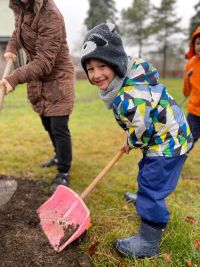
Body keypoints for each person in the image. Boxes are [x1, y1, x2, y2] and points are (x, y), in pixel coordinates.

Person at [80, 23, 193, 259]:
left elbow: (141, 127)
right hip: (167, 135)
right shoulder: (130, 75)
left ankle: (148, 242)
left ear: (116, 63)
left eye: (102, 66)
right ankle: (146, 195)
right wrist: (132, 137)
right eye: (90, 68)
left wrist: (131, 141)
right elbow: (140, 121)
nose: (96, 74)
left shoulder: (128, 96)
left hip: (167, 143)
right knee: (147, 174)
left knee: (152, 183)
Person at [0, 0, 75, 192]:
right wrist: (10, 48)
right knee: (47, 122)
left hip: (57, 76)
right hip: (37, 77)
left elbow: (44, 61)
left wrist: (14, 77)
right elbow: (17, 33)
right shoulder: (20, 7)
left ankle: (64, 171)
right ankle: (58, 155)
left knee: (58, 125)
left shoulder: (50, 15)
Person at [183, 26, 200, 153]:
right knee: (187, 141)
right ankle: (176, 164)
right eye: (198, 43)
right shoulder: (191, 63)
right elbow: (186, 90)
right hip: (194, 112)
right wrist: (187, 87)